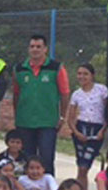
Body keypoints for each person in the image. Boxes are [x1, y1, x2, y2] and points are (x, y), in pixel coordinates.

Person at [12, 34, 70, 176]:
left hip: (47, 122)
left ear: (45, 49)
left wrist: (62, 117)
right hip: (25, 122)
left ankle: (49, 188)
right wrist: (17, 116)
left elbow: (65, 94)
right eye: (32, 46)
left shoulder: (56, 68)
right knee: (26, 161)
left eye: (39, 47)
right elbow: (16, 94)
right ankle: (28, 188)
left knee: (46, 160)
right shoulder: (19, 69)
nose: (35, 49)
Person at [67, 63, 108, 190]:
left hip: (96, 129)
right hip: (81, 128)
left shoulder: (101, 90)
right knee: (81, 167)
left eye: (85, 74)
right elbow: (70, 117)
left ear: (92, 75)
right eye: (79, 74)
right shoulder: (76, 94)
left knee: (86, 164)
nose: (82, 77)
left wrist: (103, 130)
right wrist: (76, 132)